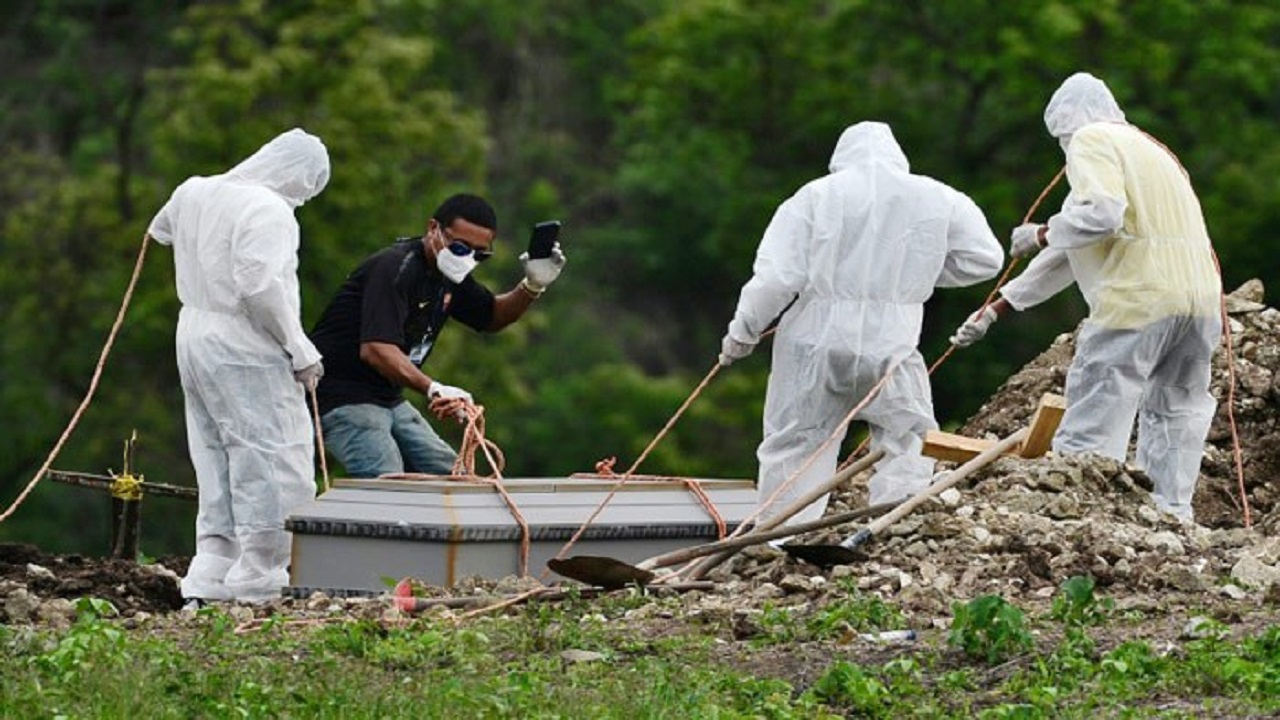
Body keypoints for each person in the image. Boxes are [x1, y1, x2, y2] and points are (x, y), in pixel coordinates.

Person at [949, 72, 1223, 521]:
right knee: (1176, 410)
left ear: (1067, 125)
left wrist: (1038, 233)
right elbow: (1074, 244)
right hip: (1198, 302)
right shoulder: (1153, 152)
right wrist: (997, 309)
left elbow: (1100, 217)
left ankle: (1083, 519)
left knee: (1096, 410)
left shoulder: (1091, 140)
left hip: (1136, 298)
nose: (1064, 151)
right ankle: (1170, 516)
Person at [719, 121, 1004, 528]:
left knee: (796, 443)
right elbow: (985, 259)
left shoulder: (815, 196)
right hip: (892, 341)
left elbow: (777, 278)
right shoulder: (939, 197)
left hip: (815, 340)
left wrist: (741, 334)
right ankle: (893, 527)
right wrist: (908, 276)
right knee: (908, 437)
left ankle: (777, 537)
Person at [146, 128, 330, 605]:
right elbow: (260, 286)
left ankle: (213, 568)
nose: (302, 201)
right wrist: (298, 345)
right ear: (295, 175)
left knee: (213, 449)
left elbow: (159, 230)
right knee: (271, 452)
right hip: (244, 341)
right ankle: (260, 576)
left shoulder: (193, 190)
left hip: (194, 331)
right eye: (305, 191)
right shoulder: (268, 209)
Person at [309, 194, 566, 478]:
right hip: (340, 395)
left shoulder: (450, 274)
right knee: (388, 479)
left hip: (387, 397)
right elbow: (376, 349)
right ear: (433, 229)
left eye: (479, 254)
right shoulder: (394, 267)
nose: (467, 259)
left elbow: (492, 316)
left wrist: (531, 286)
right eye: (459, 247)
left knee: (456, 476)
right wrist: (433, 388)